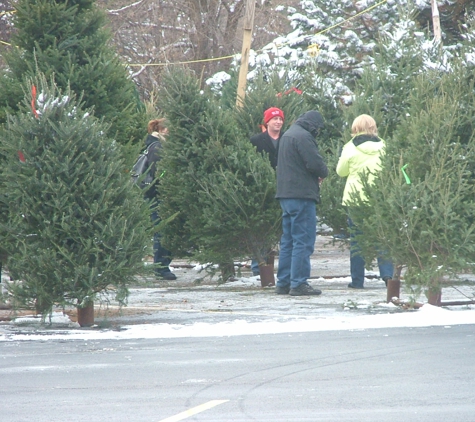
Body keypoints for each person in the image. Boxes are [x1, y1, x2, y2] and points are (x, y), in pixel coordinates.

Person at [336, 114, 393, 289]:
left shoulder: (349, 147)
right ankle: (388, 276)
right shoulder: (384, 146)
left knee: (357, 240)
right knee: (382, 238)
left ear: (355, 128)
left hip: (355, 199)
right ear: (373, 127)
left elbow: (341, 171)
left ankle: (357, 281)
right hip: (379, 198)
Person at [275, 110, 328, 296]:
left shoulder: (288, 134)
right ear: (313, 126)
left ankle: (283, 282)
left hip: (285, 194)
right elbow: (314, 163)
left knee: (288, 241)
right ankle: (298, 283)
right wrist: (323, 172)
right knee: (303, 241)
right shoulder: (303, 136)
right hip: (301, 194)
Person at [249, 107, 284, 276]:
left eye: (280, 120)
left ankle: (283, 264)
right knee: (261, 227)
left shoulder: (288, 139)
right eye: (274, 119)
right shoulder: (256, 140)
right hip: (262, 190)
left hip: (284, 187)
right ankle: (258, 265)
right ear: (267, 121)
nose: (278, 122)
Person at [145, 118, 176, 281]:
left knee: (164, 229)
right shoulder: (157, 147)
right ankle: (160, 267)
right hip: (157, 194)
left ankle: (163, 265)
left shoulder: (160, 145)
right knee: (161, 230)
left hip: (162, 194)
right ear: (163, 130)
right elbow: (159, 173)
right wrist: (169, 176)